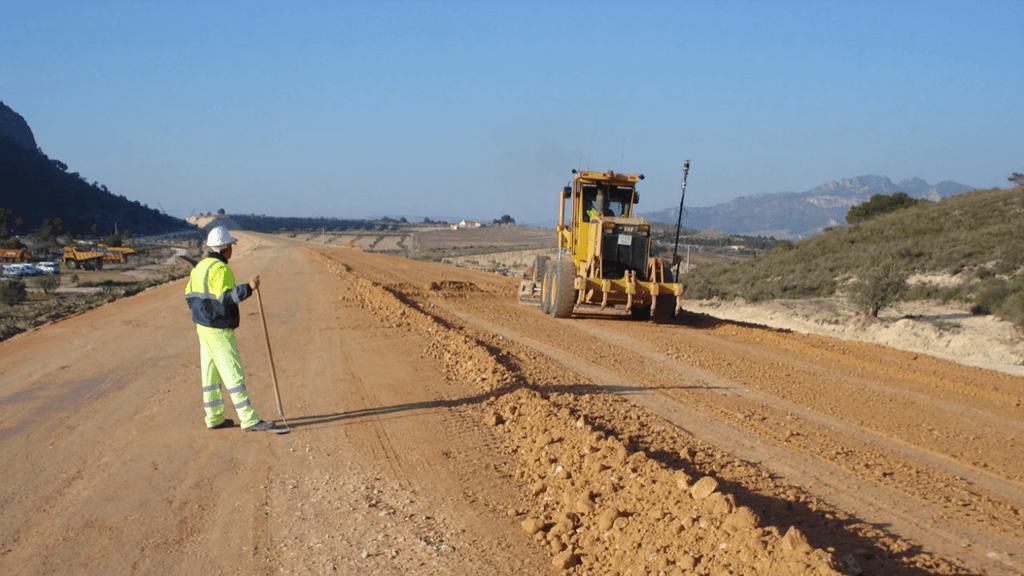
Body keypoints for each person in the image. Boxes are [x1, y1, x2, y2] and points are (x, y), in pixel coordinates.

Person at [184, 226, 275, 432]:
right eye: (231, 246)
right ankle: (249, 419)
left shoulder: (200, 267)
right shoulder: (221, 269)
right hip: (219, 328)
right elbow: (227, 298)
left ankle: (214, 418)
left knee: (210, 374)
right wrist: (248, 288)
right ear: (225, 248)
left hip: (203, 327)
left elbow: (188, 295)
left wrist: (202, 313)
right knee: (232, 371)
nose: (232, 250)